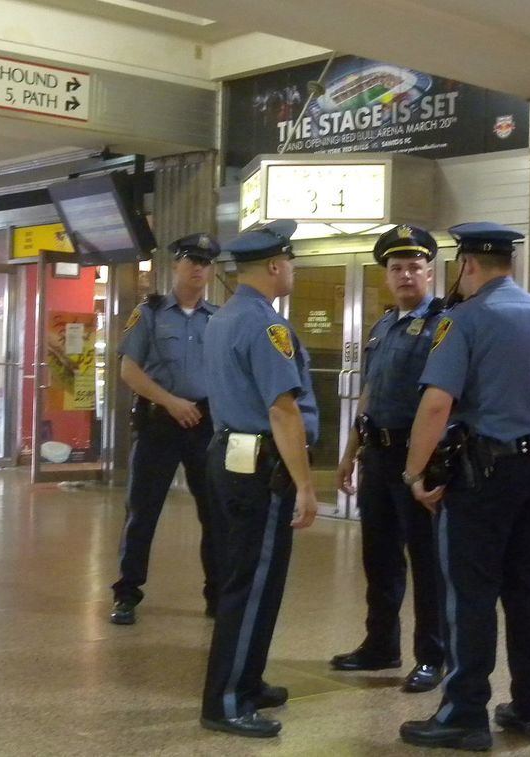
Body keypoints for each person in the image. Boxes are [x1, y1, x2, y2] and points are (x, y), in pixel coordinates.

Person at [399, 222, 530, 751]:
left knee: (470, 593)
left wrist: (415, 473)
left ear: (468, 265)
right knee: (527, 591)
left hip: (485, 477)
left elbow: (437, 404)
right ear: (511, 264)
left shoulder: (464, 320)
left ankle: (463, 714)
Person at [200, 220, 319, 739]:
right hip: (262, 467)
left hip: (229, 456)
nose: (292, 269)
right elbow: (283, 411)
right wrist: (308, 485)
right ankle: (225, 701)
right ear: (275, 266)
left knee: (250, 578)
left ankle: (247, 681)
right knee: (251, 585)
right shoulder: (267, 327)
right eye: (290, 261)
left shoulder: (224, 318)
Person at [331, 224, 444, 693]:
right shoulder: (381, 326)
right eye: (396, 268)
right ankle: (381, 644)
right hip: (376, 453)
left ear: (430, 274)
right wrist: (349, 453)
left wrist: (421, 464)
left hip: (419, 455)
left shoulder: (443, 323)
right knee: (379, 557)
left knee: (426, 559)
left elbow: (443, 398)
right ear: (386, 276)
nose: (404, 276)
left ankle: (433, 656)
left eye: (414, 267)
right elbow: (370, 393)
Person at [109, 233, 220, 625]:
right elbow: (128, 370)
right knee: (143, 510)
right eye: (191, 260)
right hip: (159, 424)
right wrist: (170, 401)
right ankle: (127, 593)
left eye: (205, 262)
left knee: (214, 512)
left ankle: (217, 594)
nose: (198, 268)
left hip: (204, 425)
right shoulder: (150, 313)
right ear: (175, 265)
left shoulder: (218, 318)